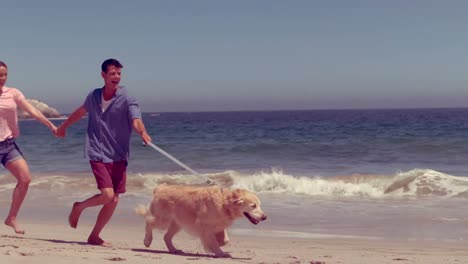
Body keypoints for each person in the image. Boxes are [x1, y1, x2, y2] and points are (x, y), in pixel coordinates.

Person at [56, 58, 151, 246]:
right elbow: (81, 111)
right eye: (112, 73)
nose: (116, 77)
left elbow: (136, 120)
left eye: (119, 73)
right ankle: (79, 207)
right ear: (103, 75)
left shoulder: (127, 97)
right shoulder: (94, 96)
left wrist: (143, 132)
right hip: (97, 150)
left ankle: (94, 236)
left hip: (119, 154)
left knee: (114, 200)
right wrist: (64, 126)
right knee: (107, 195)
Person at [0, 60, 57, 234]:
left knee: (25, 179)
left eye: (5, 74)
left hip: (8, 145)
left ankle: (11, 218)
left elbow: (32, 110)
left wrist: (50, 125)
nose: (2, 78)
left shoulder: (13, 93)